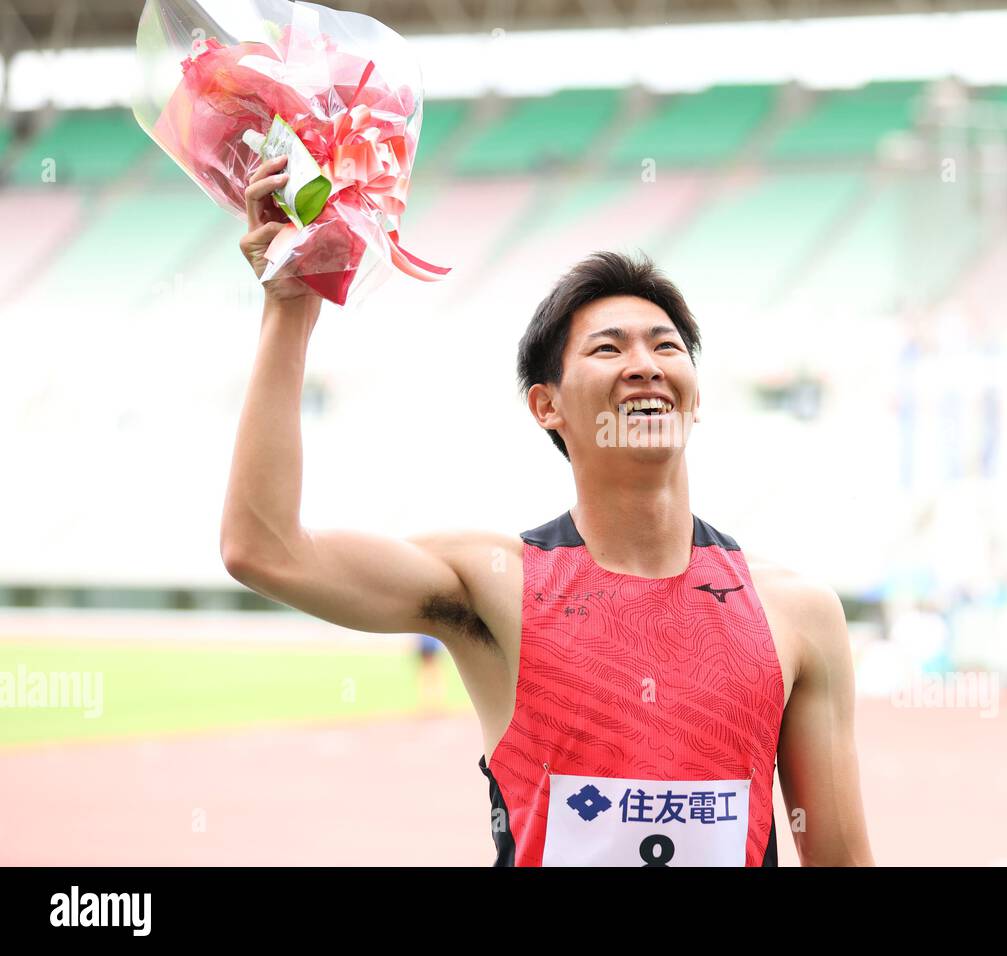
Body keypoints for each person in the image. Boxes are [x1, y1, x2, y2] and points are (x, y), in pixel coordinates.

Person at [220, 155, 874, 866]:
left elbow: (838, 859)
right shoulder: (493, 582)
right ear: (547, 405)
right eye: (607, 348)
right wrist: (288, 309)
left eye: (667, 346)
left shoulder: (796, 614)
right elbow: (265, 549)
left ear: (693, 393)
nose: (647, 365)